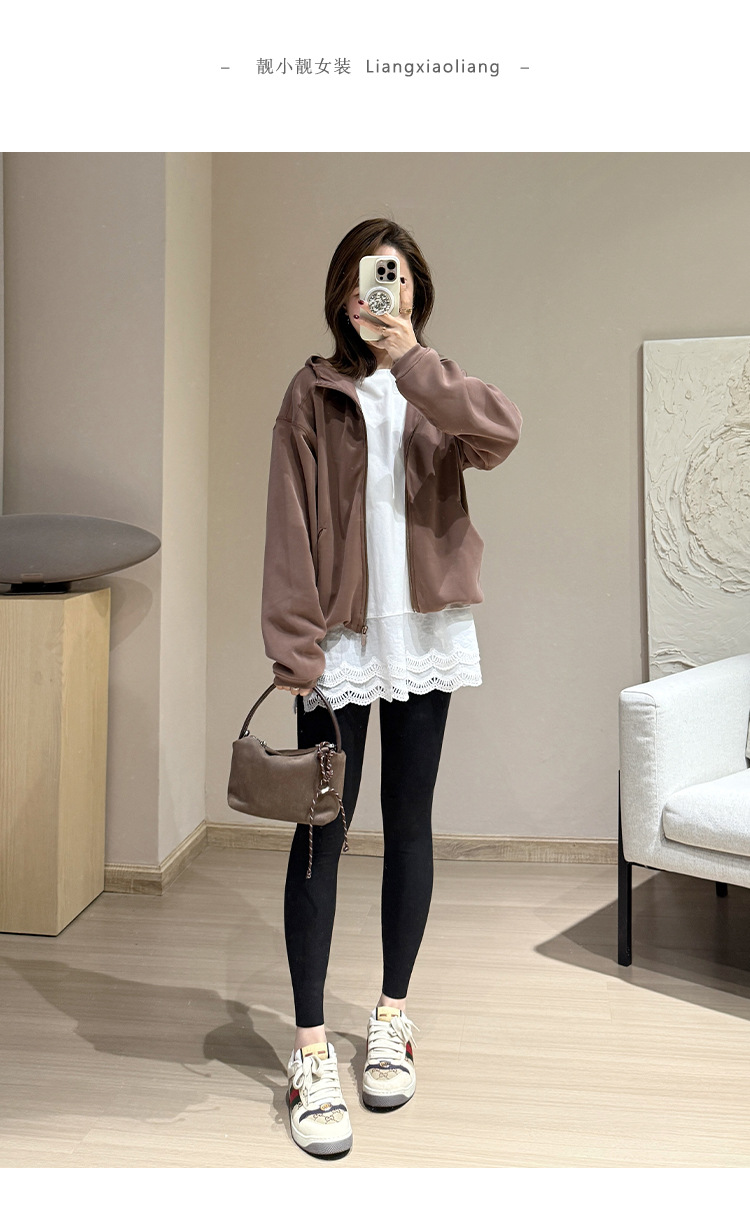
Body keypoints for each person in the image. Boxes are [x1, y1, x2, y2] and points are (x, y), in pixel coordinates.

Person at [261, 218, 522, 1157]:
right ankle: (308, 1053)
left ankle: (390, 1018)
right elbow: (288, 525)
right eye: (374, 280)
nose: (386, 295)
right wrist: (295, 647)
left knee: (410, 823)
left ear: (417, 293)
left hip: (424, 630)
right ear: (345, 293)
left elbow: (500, 433)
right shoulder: (310, 392)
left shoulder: (434, 386)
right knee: (320, 833)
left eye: (401, 280)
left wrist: (414, 361)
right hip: (338, 640)